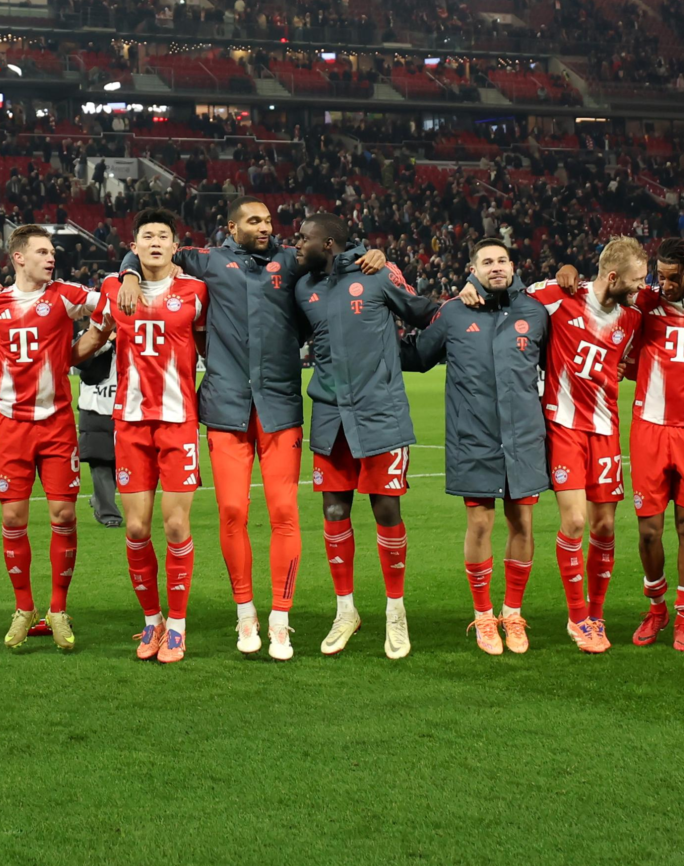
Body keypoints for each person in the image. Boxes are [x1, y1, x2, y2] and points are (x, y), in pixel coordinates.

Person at [144, 198, 388, 660]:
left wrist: (371, 253)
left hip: (279, 406)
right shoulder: (209, 262)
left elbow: (335, 253)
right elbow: (150, 253)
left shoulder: (291, 262)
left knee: (284, 511)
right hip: (226, 407)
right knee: (232, 510)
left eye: (268, 220)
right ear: (230, 227)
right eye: (254, 221)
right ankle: (245, 615)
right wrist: (132, 273)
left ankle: (280, 618)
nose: (265, 227)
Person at [292, 212, 437, 660]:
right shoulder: (303, 288)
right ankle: (346, 610)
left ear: (329, 242)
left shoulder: (378, 275)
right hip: (330, 417)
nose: (297, 243)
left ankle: (396, 611)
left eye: (304, 237)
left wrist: (412, 358)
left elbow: (424, 312)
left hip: (380, 415)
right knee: (334, 509)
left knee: (386, 509)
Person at [78, 211, 211, 663]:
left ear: (176, 246)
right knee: (135, 527)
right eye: (147, 236)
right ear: (133, 246)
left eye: (163, 236)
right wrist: (50, 360)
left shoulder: (196, 292)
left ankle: (177, 625)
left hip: (178, 423)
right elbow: (92, 339)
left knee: (175, 526)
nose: (155, 242)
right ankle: (151, 621)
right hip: (130, 423)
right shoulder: (115, 291)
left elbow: (214, 345)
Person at [412, 240, 551, 657]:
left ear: (513, 266)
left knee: (522, 524)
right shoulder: (454, 312)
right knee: (479, 525)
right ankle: (484, 614)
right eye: (487, 262)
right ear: (472, 269)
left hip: (524, 436)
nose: (496, 267)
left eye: (502, 260)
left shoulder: (535, 312)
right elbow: (417, 356)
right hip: (473, 437)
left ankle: (512, 612)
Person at [0, 226, 96, 653]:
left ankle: (57, 609)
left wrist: (88, 342)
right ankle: (24, 608)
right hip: (11, 426)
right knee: (13, 521)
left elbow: (109, 307)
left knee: (62, 516)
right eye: (42, 251)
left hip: (57, 424)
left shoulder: (65, 293)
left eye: (53, 251)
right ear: (18, 257)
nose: (51, 257)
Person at [525, 238, 648, 653]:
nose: (640, 289)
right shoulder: (559, 297)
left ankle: (597, 614)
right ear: (612, 277)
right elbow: (509, 295)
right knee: (575, 523)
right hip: (563, 426)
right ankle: (577, 616)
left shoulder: (631, 318)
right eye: (635, 281)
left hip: (606, 429)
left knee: (605, 526)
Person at [625, 239, 684, 652]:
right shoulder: (644, 301)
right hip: (649, 428)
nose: (663, 284)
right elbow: (602, 292)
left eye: (673, 277)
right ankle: (656, 606)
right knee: (649, 530)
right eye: (659, 276)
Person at [78, 333, 121, 528]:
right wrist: (104, 340)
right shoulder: (87, 337)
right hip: (94, 408)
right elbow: (85, 367)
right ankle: (108, 513)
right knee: (100, 462)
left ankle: (100, 497)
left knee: (121, 463)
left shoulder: (132, 335)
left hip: (125, 409)